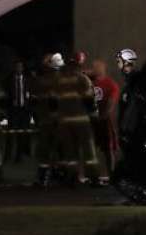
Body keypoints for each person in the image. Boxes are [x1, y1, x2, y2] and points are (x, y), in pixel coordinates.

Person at [57, 52, 101, 185]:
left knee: (70, 151)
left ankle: (72, 177)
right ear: (79, 64)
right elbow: (89, 100)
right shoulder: (82, 79)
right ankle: (93, 177)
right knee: (88, 150)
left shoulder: (61, 81)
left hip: (65, 121)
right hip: (81, 120)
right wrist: (95, 117)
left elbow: (54, 101)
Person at [31, 53, 63, 187]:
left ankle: (44, 177)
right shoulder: (60, 80)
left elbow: (35, 100)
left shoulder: (41, 81)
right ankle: (59, 175)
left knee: (46, 150)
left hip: (47, 120)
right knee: (58, 149)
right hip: (54, 120)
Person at [89, 59, 120, 184]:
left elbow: (111, 102)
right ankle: (93, 175)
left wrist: (104, 115)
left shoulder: (110, 84)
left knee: (108, 149)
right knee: (91, 149)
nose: (94, 69)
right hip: (92, 120)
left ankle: (111, 174)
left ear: (103, 68)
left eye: (97, 67)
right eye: (93, 67)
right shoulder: (88, 82)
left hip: (105, 121)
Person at [3, 60, 32, 163]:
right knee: (10, 134)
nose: (19, 68)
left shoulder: (27, 80)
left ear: (22, 68)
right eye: (17, 67)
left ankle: (18, 157)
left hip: (24, 110)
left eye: (20, 67)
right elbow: (5, 95)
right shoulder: (9, 80)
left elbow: (30, 94)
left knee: (22, 134)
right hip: (13, 110)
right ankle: (7, 156)